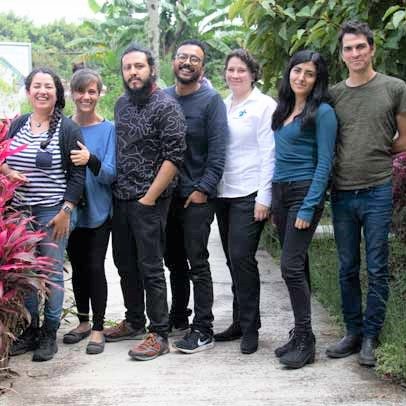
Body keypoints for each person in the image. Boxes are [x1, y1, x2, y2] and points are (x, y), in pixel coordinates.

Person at [326, 21, 406, 367]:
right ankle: (353, 332)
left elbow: (404, 137)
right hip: (342, 192)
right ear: (342, 55)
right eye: (349, 48)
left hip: (377, 189)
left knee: (376, 266)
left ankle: (372, 336)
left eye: (361, 46)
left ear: (372, 48)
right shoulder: (333, 95)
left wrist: (378, 152)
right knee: (347, 266)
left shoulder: (395, 88)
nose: (355, 53)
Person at [103, 43, 186, 361]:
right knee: (124, 263)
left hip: (150, 202)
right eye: (127, 67)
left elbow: (175, 157)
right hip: (121, 199)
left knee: (151, 267)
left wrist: (148, 198)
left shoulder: (166, 106)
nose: (133, 72)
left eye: (138, 66)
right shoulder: (121, 104)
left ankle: (159, 333)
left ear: (151, 69)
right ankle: (134, 321)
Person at [2, 67, 85, 362]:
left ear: (56, 92)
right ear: (28, 92)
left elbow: (78, 175)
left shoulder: (68, 129)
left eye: (48, 86)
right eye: (36, 86)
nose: (42, 91)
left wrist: (66, 210)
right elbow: (3, 158)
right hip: (20, 212)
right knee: (25, 272)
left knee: (51, 274)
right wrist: (9, 172)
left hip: (53, 213)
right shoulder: (18, 124)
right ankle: (31, 331)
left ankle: (49, 333)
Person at [271, 50, 337, 369]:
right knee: (299, 264)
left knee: (290, 267)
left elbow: (325, 162)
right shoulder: (283, 108)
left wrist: (309, 207)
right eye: (297, 70)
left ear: (317, 80)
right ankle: (299, 334)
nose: (301, 77)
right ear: (290, 72)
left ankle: (307, 341)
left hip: (303, 191)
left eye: (309, 73)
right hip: (280, 192)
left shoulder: (323, 112)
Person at [164, 39, 227, 353]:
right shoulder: (162, 97)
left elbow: (218, 152)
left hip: (196, 197)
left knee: (197, 262)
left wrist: (203, 190)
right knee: (173, 260)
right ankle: (178, 316)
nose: (187, 62)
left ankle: (203, 329)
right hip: (166, 197)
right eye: (182, 57)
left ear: (202, 66)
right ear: (173, 61)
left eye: (194, 59)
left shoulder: (211, 101)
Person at [213, 49, 276, 354]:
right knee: (231, 259)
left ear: (253, 74)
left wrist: (265, 197)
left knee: (242, 257)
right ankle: (239, 321)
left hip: (250, 193)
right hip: (223, 193)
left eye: (241, 70)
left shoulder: (264, 106)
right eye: (231, 69)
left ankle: (251, 328)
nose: (235, 75)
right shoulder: (223, 104)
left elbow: (269, 153)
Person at [63, 68, 116, 355]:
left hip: (99, 212)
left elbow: (110, 174)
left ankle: (98, 327)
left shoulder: (108, 130)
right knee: (79, 268)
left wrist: (90, 159)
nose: (86, 97)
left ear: (100, 94)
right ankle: (83, 321)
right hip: (70, 213)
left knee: (95, 267)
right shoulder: (64, 127)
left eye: (92, 91)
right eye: (81, 91)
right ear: (72, 94)